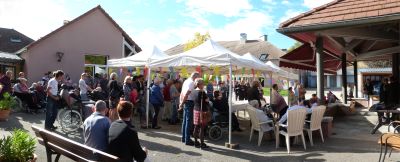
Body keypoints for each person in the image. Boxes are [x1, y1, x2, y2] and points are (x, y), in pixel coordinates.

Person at [179, 72, 200, 146]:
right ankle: (187, 139)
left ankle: (184, 138)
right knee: (188, 121)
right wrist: (181, 103)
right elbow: (187, 93)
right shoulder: (191, 82)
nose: (197, 80)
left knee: (185, 121)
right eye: (198, 78)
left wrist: (181, 102)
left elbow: (182, 93)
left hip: (186, 102)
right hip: (189, 102)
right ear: (195, 77)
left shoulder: (186, 81)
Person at [192, 78, 210, 149]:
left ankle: (196, 142)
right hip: (202, 111)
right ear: (200, 84)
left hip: (195, 109)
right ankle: (202, 144)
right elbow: (207, 101)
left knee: (196, 127)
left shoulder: (194, 91)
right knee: (202, 128)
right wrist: (207, 100)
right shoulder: (202, 92)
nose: (204, 85)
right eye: (203, 84)